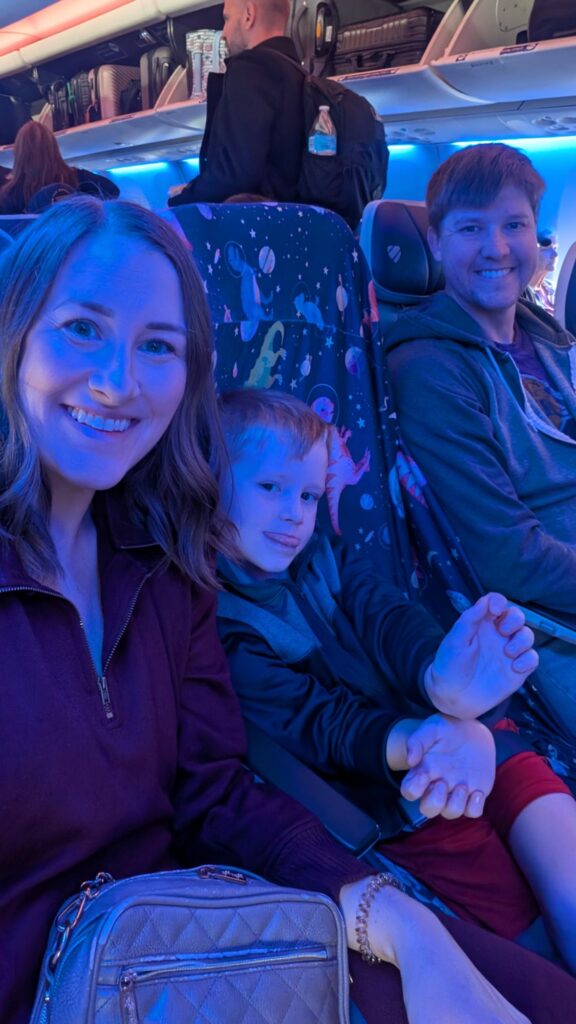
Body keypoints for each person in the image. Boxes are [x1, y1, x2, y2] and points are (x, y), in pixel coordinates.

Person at [1, 198, 575, 1024]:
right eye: (81, 329)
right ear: (15, 333)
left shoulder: (165, 565)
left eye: (158, 345)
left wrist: (397, 923)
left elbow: (216, 794)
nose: (118, 382)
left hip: (192, 933)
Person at [215, 385, 576, 970]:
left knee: (560, 852)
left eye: (308, 495)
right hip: (400, 795)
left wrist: (440, 675)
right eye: (270, 488)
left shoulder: (323, 555)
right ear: (208, 484)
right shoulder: (226, 623)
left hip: (468, 737)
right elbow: (317, 724)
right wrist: (425, 738)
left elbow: (389, 618)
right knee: (533, 943)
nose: (294, 514)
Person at [384, 143, 576, 742]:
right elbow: (507, 555)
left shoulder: (550, 340)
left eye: (514, 225)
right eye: (471, 228)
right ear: (436, 243)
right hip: (545, 626)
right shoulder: (430, 367)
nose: (497, 248)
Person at [168, 0, 305, 207]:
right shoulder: (299, 75)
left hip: (255, 220)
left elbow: (236, 172)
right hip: (288, 218)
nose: (223, 33)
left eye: (227, 19)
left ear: (249, 15)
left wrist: (184, 199)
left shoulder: (250, 67)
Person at [0, 119, 119, 215]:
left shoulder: (10, 192)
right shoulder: (76, 177)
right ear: (53, 148)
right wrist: (82, 206)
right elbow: (112, 191)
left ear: (19, 153)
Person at [525, 230, 558, 314]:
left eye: (555, 248)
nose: (555, 254)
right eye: (546, 249)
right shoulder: (520, 296)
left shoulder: (554, 288)